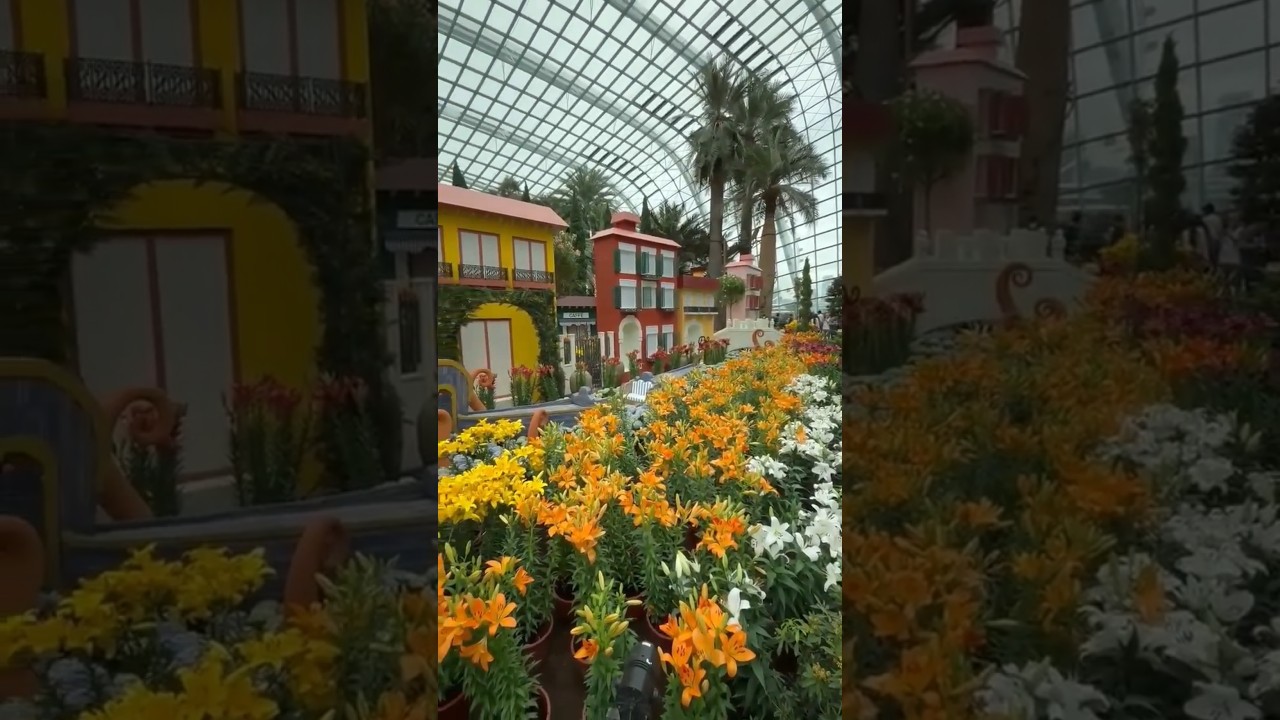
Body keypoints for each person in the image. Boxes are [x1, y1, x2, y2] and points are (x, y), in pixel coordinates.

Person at [1202, 203, 1224, 267]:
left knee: (1210, 259)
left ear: (1208, 210)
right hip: (1218, 240)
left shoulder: (1205, 219)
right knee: (1217, 259)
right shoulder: (1218, 218)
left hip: (1209, 240)